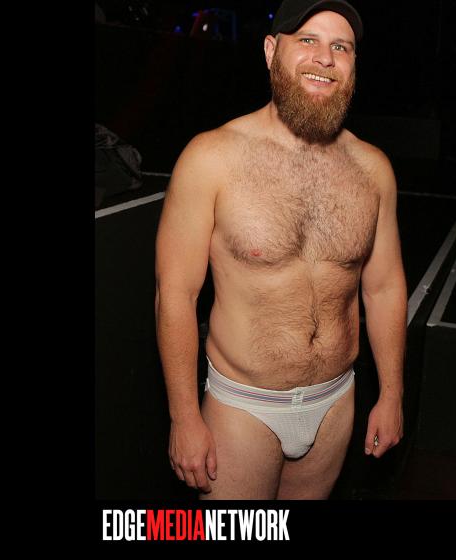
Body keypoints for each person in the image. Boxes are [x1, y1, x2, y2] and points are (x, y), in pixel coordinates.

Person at [155, 0, 407, 500]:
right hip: (243, 408)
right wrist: (183, 417)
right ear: (272, 51)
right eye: (307, 41)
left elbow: (383, 288)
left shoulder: (373, 169)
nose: (325, 58)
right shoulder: (211, 158)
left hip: (336, 402)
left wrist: (392, 393)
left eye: (341, 47)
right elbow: (176, 295)